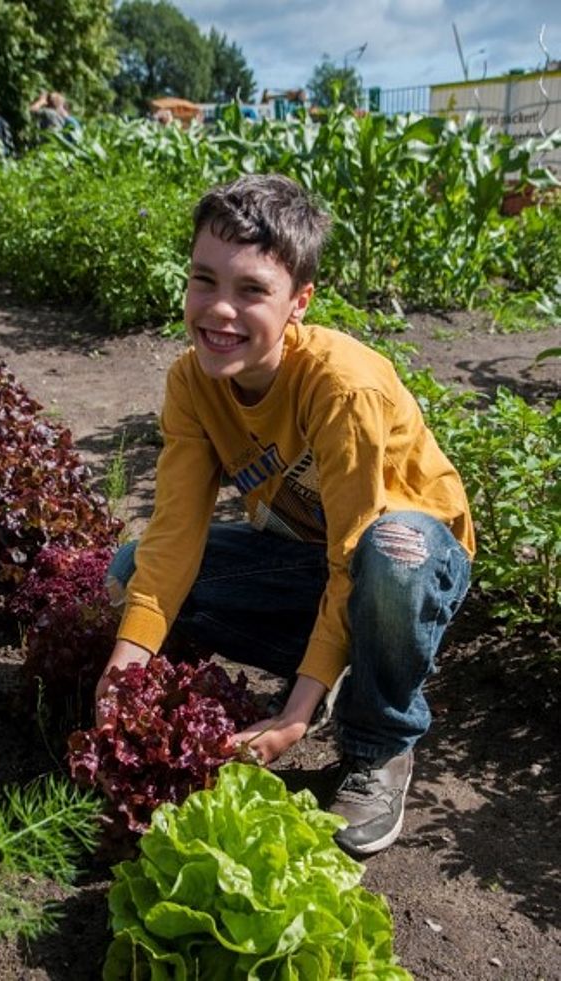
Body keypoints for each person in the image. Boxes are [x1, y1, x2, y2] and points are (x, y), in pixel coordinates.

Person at [96, 173, 475, 859]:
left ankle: (379, 739)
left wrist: (295, 716)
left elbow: (353, 549)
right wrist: (128, 660)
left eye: (251, 291)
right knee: (131, 572)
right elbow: (175, 532)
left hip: (408, 562)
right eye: (203, 281)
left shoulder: (341, 386)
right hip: (312, 561)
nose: (219, 311)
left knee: (393, 552)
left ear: (300, 302)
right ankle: (338, 664)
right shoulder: (192, 383)